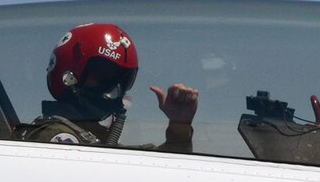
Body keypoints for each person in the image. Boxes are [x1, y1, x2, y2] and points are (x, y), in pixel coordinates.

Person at [23, 22, 200, 150]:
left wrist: (180, 125)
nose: (112, 89)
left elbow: (165, 172)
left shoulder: (97, 140)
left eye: (121, 80)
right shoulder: (54, 139)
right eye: (103, 75)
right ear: (69, 75)